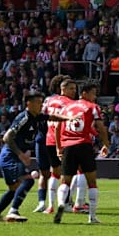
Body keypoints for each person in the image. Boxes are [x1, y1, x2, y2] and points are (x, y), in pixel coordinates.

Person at [0, 91, 73, 222]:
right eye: (39, 102)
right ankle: (13, 212)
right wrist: (20, 154)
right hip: (10, 157)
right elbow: (7, 137)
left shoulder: (36, 117)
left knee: (13, 189)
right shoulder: (24, 118)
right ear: (29, 104)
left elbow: (52, 117)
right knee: (28, 180)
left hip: (10, 157)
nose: (41, 105)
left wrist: (70, 118)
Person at [54, 84, 110, 224]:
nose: (95, 97)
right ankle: (92, 216)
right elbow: (101, 127)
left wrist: (59, 148)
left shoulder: (67, 107)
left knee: (65, 181)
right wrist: (106, 144)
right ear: (84, 93)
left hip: (68, 146)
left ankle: (62, 203)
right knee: (92, 182)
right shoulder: (92, 107)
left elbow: (57, 127)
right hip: (84, 145)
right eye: (93, 94)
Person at [34, 75, 77, 214]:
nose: (74, 91)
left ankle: (49, 205)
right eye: (72, 88)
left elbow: (41, 116)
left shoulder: (49, 100)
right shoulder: (69, 103)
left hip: (47, 138)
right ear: (62, 88)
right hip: (62, 140)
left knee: (53, 173)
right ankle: (67, 202)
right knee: (67, 173)